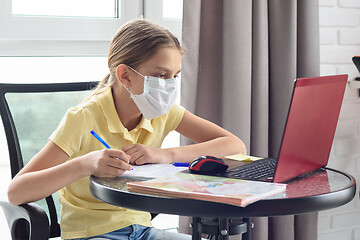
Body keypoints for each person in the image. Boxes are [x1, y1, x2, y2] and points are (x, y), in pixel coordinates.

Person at [7, 19, 246, 240]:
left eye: (174, 76)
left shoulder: (165, 112)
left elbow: (234, 145)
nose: (169, 86)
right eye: (161, 75)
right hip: (90, 233)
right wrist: (85, 164)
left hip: (143, 231)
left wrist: (166, 155)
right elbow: (17, 192)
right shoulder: (83, 118)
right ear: (125, 75)